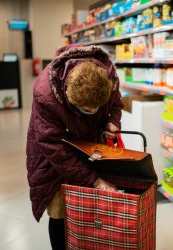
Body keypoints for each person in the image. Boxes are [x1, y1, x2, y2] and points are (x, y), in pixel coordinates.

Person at [26, 44, 123, 250]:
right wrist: (94, 180)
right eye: (85, 109)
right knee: (60, 208)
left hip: (91, 147)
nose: (93, 111)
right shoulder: (46, 93)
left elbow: (115, 104)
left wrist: (112, 121)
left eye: (96, 108)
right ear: (67, 93)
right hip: (55, 154)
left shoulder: (108, 77)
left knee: (90, 207)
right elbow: (53, 147)